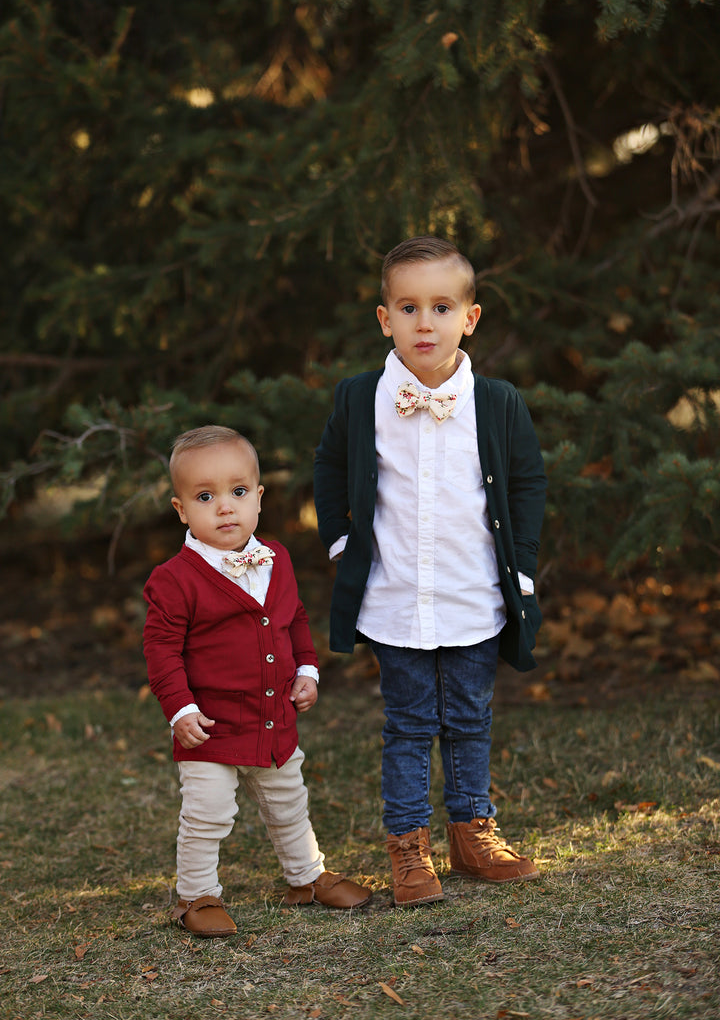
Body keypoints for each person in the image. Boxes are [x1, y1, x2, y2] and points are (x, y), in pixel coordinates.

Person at [314, 236, 546, 907]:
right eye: (408, 307)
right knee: (409, 724)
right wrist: (340, 546)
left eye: (441, 307)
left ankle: (474, 833)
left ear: (469, 318)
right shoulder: (361, 399)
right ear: (384, 318)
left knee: (471, 716)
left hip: (473, 595)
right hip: (394, 599)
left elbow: (527, 483)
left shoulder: (497, 404)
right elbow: (329, 469)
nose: (425, 322)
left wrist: (521, 572)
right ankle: (408, 848)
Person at [144, 425, 371, 938]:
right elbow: (161, 650)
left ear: (259, 498)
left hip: (273, 719)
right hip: (211, 727)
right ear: (181, 509)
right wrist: (180, 709)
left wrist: (306, 670)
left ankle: (306, 876)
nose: (226, 508)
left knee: (289, 801)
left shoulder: (276, 559)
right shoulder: (175, 579)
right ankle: (197, 895)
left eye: (238, 492)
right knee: (208, 813)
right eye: (206, 497)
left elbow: (292, 618)